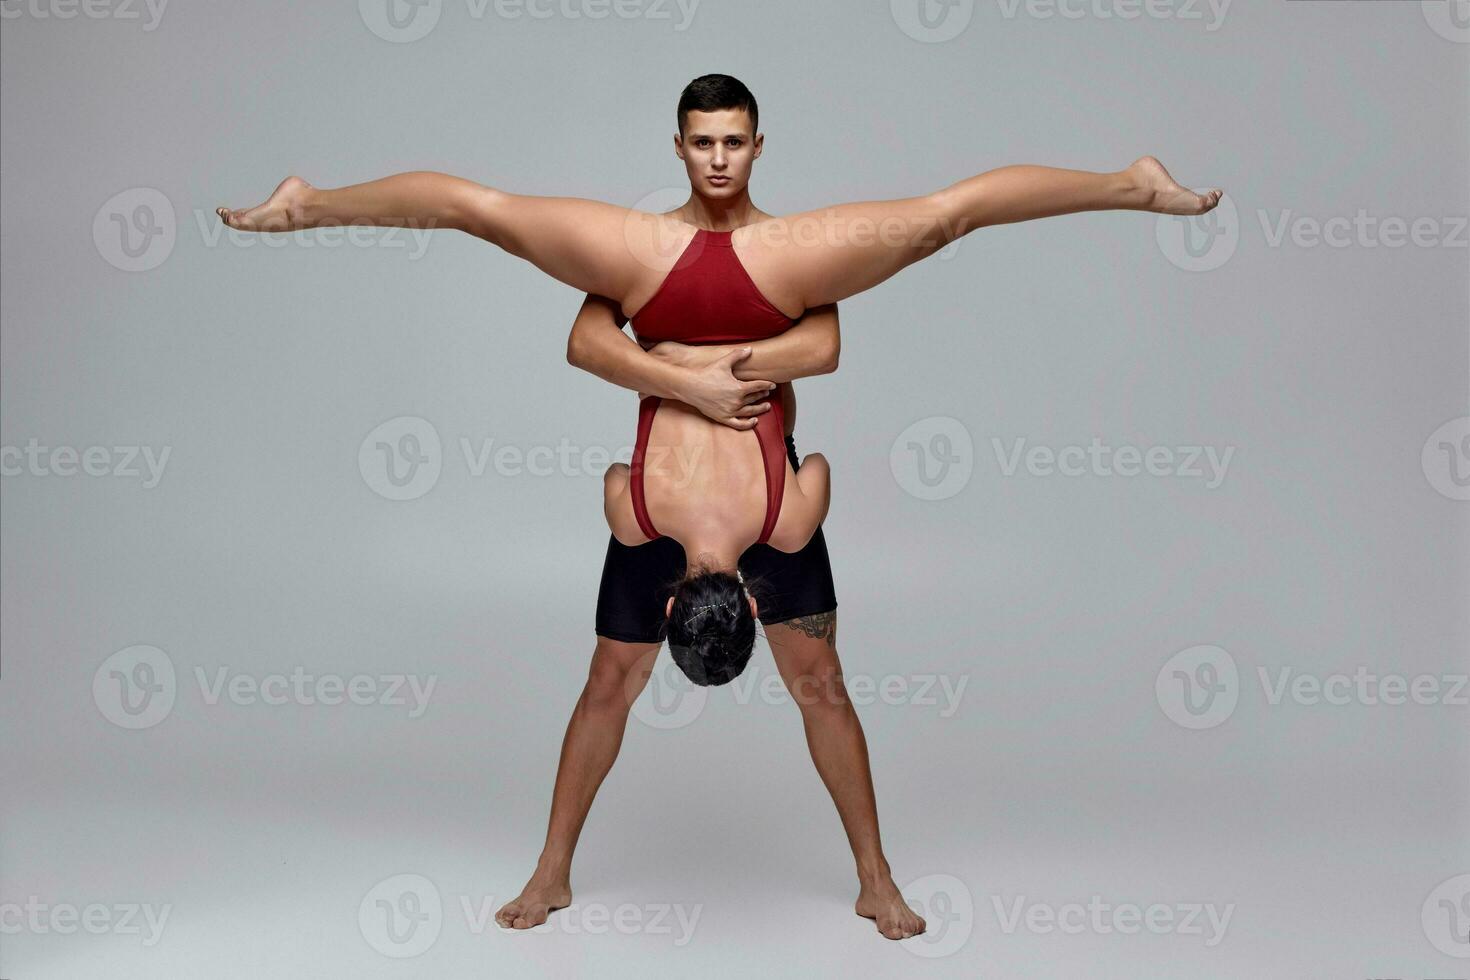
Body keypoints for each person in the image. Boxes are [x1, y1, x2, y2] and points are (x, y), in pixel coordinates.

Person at [216, 73, 1222, 941]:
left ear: (758, 144)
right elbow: (588, 339)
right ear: (679, 146)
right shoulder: (645, 253)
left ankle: (874, 873)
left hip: (744, 302)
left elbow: (821, 341)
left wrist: (683, 366)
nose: (719, 159)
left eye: (734, 141)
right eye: (702, 143)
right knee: (486, 214)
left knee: (937, 222)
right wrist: (707, 385)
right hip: (681, 300)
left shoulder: (790, 257)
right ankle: (552, 865)